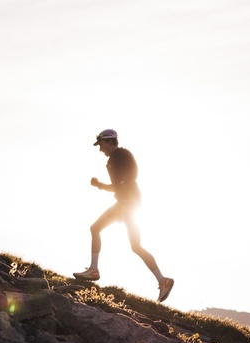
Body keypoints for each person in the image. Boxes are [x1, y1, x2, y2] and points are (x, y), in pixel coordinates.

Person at [74, 129, 175, 303]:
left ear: (109, 141)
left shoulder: (118, 156)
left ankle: (93, 270)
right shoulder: (119, 157)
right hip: (131, 203)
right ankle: (162, 280)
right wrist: (104, 185)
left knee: (95, 228)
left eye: (101, 145)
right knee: (136, 246)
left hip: (127, 203)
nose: (100, 149)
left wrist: (107, 184)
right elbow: (120, 184)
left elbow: (124, 180)